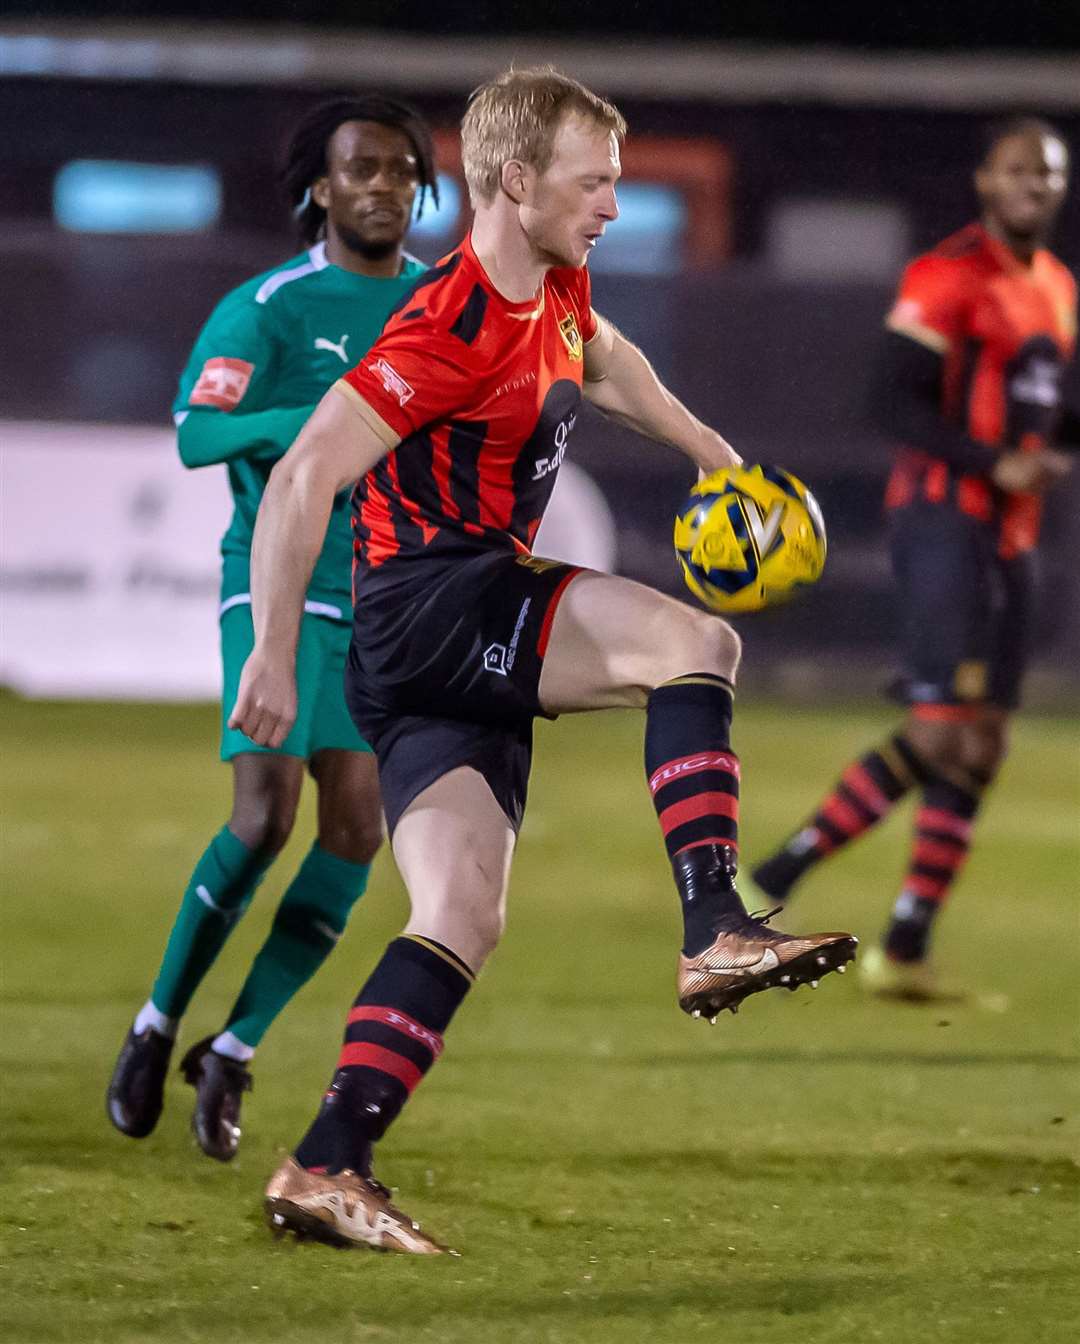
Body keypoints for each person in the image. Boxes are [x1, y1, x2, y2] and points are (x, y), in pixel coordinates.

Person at [231, 67, 857, 1254]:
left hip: (434, 640)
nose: (614, 205)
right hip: (435, 603)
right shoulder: (444, 328)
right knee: (694, 642)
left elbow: (608, 357)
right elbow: (309, 473)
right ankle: (713, 923)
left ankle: (325, 1165)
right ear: (514, 182)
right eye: (596, 182)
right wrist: (268, 649)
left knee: (460, 913)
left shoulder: (558, 288)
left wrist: (710, 450)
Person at [106, 96, 439, 1161]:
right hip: (280, 588)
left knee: (356, 832)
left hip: (392, 598)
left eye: (400, 170)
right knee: (265, 812)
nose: (382, 186)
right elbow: (199, 433)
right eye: (361, 169)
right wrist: (316, 421)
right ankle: (156, 1024)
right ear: (320, 189)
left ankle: (235, 1047)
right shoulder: (271, 306)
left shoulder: (443, 304)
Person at [752, 119, 1076, 999]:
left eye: (1048, 172)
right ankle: (771, 880)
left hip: (1013, 536)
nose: (1034, 184)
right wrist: (992, 463)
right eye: (1018, 169)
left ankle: (904, 945)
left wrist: (1044, 453)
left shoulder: (1054, 286)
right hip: (946, 522)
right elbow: (889, 401)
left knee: (984, 742)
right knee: (940, 733)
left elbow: (1043, 414)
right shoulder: (948, 275)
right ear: (985, 181)